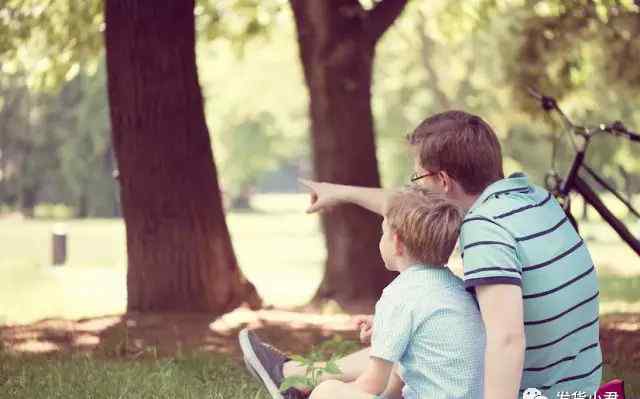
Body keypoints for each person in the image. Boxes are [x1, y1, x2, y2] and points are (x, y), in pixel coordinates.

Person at [245, 111, 603, 399]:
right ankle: (297, 374)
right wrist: (337, 192)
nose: (413, 184)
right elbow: (412, 210)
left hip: (538, 393)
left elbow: (507, 339)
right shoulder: (531, 198)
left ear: (443, 181)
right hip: (581, 389)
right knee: (428, 326)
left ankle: (303, 378)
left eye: (417, 177)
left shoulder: (485, 231)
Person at [239, 189, 486, 399]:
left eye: (383, 232)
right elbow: (404, 373)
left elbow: (373, 384)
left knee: (327, 391)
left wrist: (340, 392)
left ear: (397, 242)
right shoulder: (456, 288)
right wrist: (386, 333)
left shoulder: (400, 294)